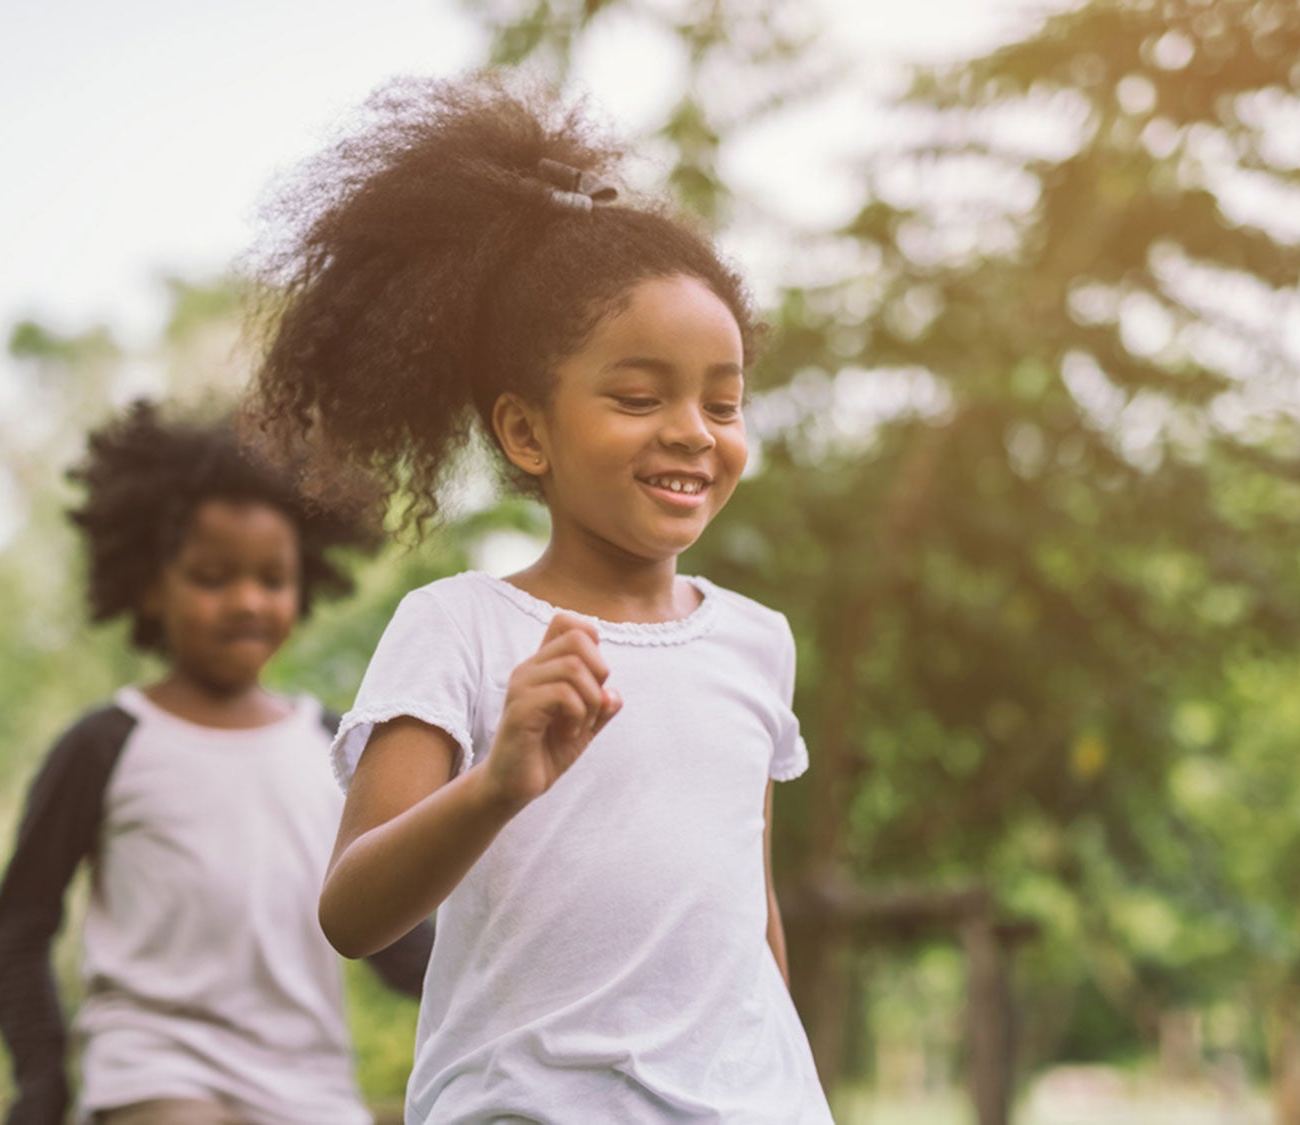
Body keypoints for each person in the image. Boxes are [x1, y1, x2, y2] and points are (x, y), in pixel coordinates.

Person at [245, 75, 834, 1123]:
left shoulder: (755, 642)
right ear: (526, 434)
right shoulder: (461, 627)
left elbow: (749, 912)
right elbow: (350, 913)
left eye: (723, 400)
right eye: (638, 396)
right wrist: (496, 784)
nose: (693, 430)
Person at [0, 401, 432, 1125]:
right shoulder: (106, 743)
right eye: (213, 576)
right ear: (153, 586)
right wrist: (41, 1083)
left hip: (310, 1085)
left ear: (304, 582)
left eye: (272, 578)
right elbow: (17, 927)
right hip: (156, 1069)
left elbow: (393, 936)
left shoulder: (329, 742)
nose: (247, 600)